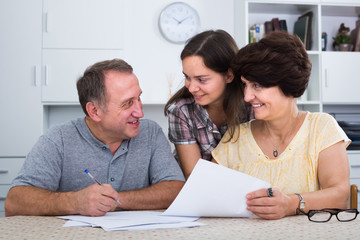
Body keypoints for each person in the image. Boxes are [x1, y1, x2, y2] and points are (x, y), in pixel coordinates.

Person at [5, 59, 185, 217]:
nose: (140, 112)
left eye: (139, 98)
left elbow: (175, 190)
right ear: (94, 111)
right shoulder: (57, 140)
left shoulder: (151, 133)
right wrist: (75, 202)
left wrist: (115, 200)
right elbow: (14, 202)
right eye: (128, 103)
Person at [212, 31, 351, 220]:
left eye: (257, 86)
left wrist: (290, 204)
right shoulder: (236, 137)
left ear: (287, 84)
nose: (247, 96)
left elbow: (340, 196)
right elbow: (208, 195)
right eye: (245, 85)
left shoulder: (321, 128)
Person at [164, 30, 249, 179]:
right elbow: (195, 177)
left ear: (229, 75)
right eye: (187, 77)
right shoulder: (180, 111)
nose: (191, 88)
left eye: (201, 79)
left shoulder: (252, 106)